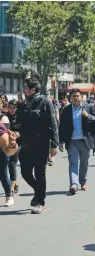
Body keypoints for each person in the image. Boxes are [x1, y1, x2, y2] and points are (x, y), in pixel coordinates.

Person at [17, 71, 59, 214]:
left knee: (40, 172)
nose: (24, 90)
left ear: (33, 89)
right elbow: (20, 122)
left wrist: (54, 143)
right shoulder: (25, 103)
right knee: (25, 172)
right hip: (26, 143)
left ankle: (40, 201)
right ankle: (38, 190)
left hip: (41, 143)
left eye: (26, 87)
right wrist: (21, 105)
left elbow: (53, 123)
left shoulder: (45, 101)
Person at [59, 88, 95, 195]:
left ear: (81, 97)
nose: (76, 98)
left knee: (84, 163)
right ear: (70, 98)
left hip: (85, 140)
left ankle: (83, 182)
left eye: (78, 96)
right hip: (71, 141)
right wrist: (60, 141)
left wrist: (88, 116)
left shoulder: (89, 107)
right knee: (73, 163)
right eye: (74, 96)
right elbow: (62, 127)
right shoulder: (66, 110)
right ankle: (74, 184)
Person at [0, 122, 18, 206]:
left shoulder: (2, 127)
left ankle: (9, 196)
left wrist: (12, 145)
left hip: (2, 152)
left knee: (3, 175)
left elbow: (9, 151)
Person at [7, 99, 21, 194]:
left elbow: (25, 129)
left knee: (12, 164)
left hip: (17, 143)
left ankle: (12, 186)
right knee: (6, 165)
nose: (12, 110)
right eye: (10, 108)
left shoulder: (20, 117)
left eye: (14, 108)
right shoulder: (5, 117)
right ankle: (14, 183)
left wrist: (18, 134)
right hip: (5, 143)